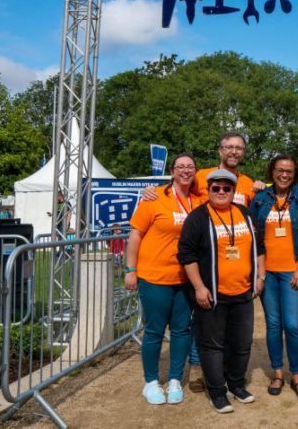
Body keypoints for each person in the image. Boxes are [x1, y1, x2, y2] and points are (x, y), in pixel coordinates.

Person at [178, 169, 265, 414]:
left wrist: (260, 276)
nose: (221, 192)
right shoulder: (198, 217)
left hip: (243, 294)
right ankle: (217, 392)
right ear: (208, 190)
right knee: (212, 346)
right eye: (216, 188)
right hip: (212, 296)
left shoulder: (245, 215)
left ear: (233, 191)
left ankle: (237, 385)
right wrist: (199, 287)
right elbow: (187, 254)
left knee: (242, 344)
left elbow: (260, 246)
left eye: (226, 188)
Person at [124, 153, 199, 406]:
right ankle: (151, 382)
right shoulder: (155, 196)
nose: (186, 171)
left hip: (185, 277)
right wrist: (130, 269)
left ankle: (176, 378)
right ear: (172, 171)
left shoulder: (199, 200)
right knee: (155, 330)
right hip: (155, 275)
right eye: (181, 167)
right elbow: (135, 234)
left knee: (181, 330)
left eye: (190, 167)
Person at [250, 154, 298, 400]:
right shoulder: (260, 199)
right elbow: (252, 235)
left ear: (295, 173)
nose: (284, 175)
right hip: (267, 273)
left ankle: (296, 375)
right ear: (272, 172)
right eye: (280, 170)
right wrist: (258, 271)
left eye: (289, 171)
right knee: (273, 325)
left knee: (291, 324)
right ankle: (278, 373)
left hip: (293, 272)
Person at [194, 132, 266, 206]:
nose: (234, 152)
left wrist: (262, 191)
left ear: (243, 152)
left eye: (239, 148)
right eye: (229, 147)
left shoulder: (249, 183)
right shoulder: (200, 176)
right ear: (220, 151)